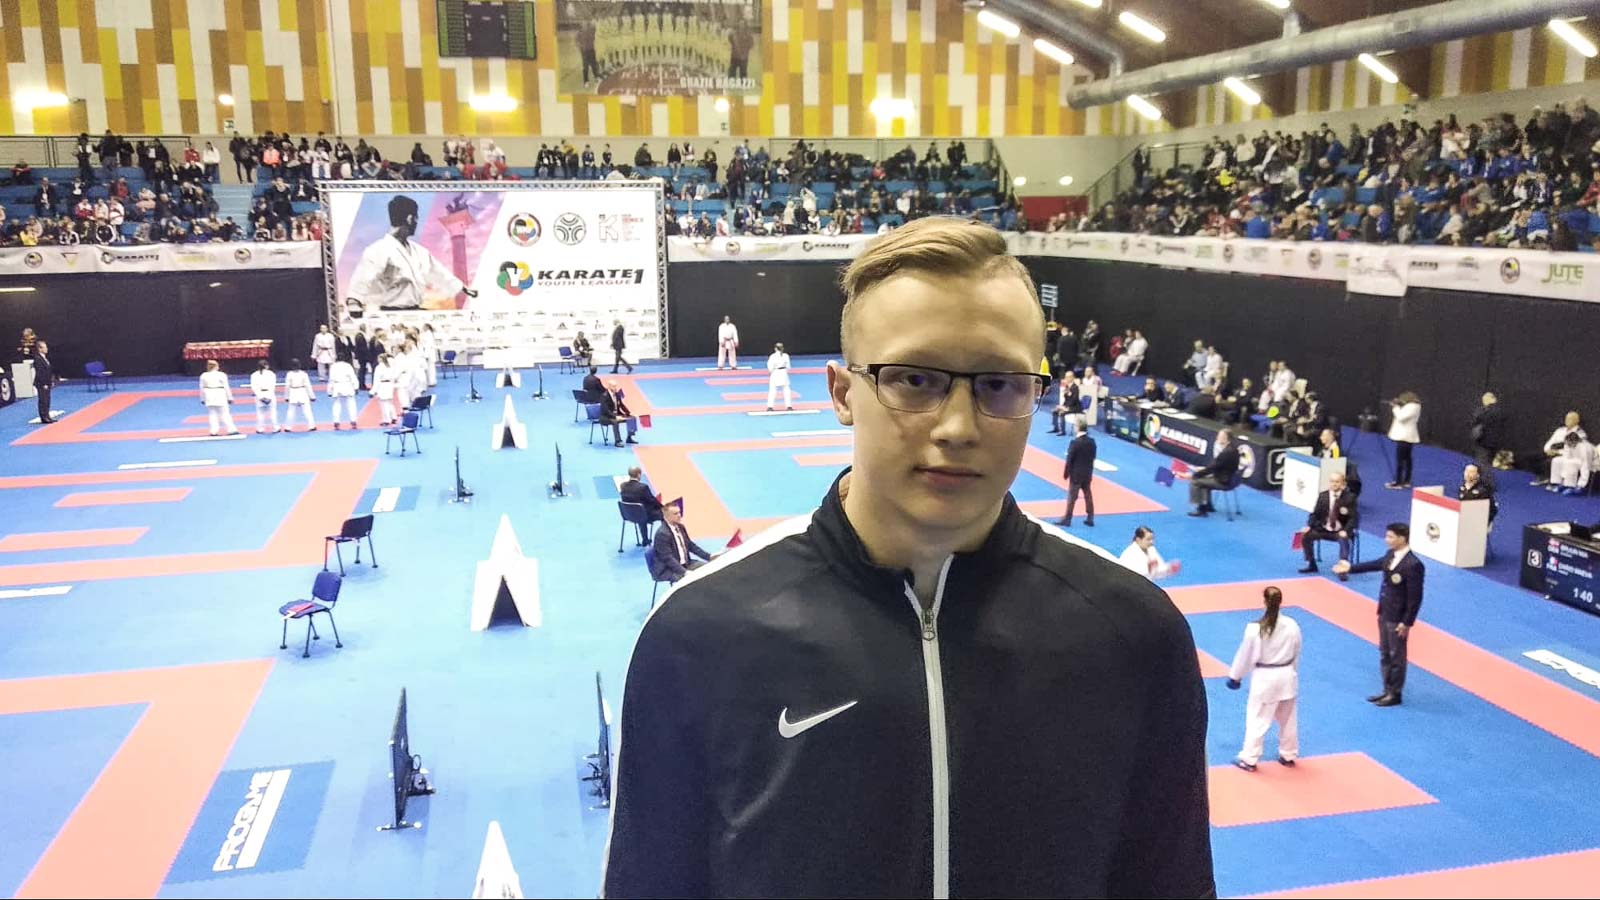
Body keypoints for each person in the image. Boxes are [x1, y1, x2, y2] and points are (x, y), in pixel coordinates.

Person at [602, 217, 1214, 898]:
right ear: (842, 393)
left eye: (999, 384)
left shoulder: (1133, 632)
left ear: (1036, 394)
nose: (958, 427)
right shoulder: (699, 635)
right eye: (915, 379)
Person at [1332, 523, 1425, 707]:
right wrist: (1350, 568)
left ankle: (1395, 693)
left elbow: (1415, 597)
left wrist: (1407, 622)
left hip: (1398, 617)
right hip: (1384, 611)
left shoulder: (1413, 565)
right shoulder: (1391, 555)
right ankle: (1387, 689)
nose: (1386, 540)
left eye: (1390, 537)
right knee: (1384, 652)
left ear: (1402, 538)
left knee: (1397, 656)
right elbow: (1375, 565)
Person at [345, 195, 478, 311]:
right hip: (390, 311)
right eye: (416, 218)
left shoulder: (419, 251)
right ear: (410, 218)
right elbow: (363, 277)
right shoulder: (378, 249)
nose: (416, 222)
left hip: (415, 309)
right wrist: (354, 301)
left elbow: (439, 272)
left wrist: (462, 288)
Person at [1225, 586, 1302, 772]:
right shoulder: (1292, 625)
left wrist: (1235, 676)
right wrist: (1293, 671)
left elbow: (1245, 655)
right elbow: (1297, 651)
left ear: (1265, 602)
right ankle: (1288, 754)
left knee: (1258, 718)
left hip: (1266, 678)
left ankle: (1249, 757)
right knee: (1288, 719)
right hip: (1287, 675)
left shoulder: (1255, 629)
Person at [1298, 472, 1359, 576]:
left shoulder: (1350, 497)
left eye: (1337, 482)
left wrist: (1346, 531)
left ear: (1342, 483)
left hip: (1340, 531)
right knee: (1306, 536)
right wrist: (1309, 526)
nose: (1334, 484)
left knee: (1343, 540)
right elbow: (1314, 514)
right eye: (1332, 481)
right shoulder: (1323, 496)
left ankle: (1342, 569)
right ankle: (1311, 563)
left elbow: (1353, 518)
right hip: (1323, 529)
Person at [648, 501, 713, 583]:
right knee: (693, 581)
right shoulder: (662, 534)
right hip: (669, 569)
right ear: (666, 517)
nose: (679, 515)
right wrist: (684, 572)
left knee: (710, 570)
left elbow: (691, 545)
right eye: (675, 514)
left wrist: (709, 557)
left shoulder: (681, 527)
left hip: (687, 564)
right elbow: (667, 558)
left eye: (679, 512)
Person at [1185, 428, 1240, 517]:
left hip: (1224, 481)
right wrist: (1203, 469)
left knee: (1195, 482)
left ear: (1227, 439)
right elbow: (1217, 466)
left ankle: (1201, 509)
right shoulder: (1233, 449)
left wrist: (1194, 475)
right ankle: (1208, 506)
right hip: (1231, 478)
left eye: (1220, 436)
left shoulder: (1226, 453)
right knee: (1204, 479)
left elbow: (1212, 468)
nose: (1217, 437)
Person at [1541, 411, 1592, 495]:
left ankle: (1571, 485)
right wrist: (1555, 452)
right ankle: (1557, 482)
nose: (1567, 421)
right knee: (1557, 460)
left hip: (1582, 459)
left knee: (1570, 463)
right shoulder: (1566, 436)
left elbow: (1585, 466)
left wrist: (1582, 485)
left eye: (1570, 419)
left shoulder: (1582, 439)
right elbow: (1567, 450)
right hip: (1570, 455)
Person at [1058, 419, 1096, 527]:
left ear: (1078, 427)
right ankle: (1090, 517)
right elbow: (1093, 457)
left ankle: (1067, 519)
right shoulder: (1092, 442)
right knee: (1088, 495)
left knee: (1072, 497)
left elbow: (1069, 459)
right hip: (1087, 473)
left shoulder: (1075, 443)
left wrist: (1066, 473)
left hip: (1076, 474)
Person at [1386, 391, 1421, 489]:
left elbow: (1401, 417)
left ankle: (1398, 482)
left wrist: (1395, 407)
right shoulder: (1414, 406)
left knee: (1401, 460)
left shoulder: (1412, 406)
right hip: (1407, 436)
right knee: (1407, 459)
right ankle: (1406, 481)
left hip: (1405, 437)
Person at [198, 359, 239, 436]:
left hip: (209, 394)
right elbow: (226, 387)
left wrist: (202, 398)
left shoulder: (203, 375)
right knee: (225, 413)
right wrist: (229, 397)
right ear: (216, 366)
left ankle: (213, 431)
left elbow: (201, 388)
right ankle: (231, 429)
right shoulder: (221, 375)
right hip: (220, 394)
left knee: (212, 414)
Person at [1470, 392, 1507, 469]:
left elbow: (1475, 421)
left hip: (1484, 441)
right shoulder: (1501, 412)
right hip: (1496, 442)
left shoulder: (1484, 412)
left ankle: (1483, 475)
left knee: (1482, 463)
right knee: (1489, 462)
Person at [282, 358, 317, 431]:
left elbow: (287, 386)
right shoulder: (303, 374)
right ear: (299, 365)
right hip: (302, 391)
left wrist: (286, 397)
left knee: (291, 411)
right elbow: (308, 386)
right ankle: (312, 426)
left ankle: (288, 427)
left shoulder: (289, 374)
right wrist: (312, 396)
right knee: (307, 410)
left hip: (293, 392)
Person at [600, 380, 637, 447]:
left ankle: (629, 437)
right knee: (615, 421)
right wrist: (615, 416)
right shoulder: (604, 396)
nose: (615, 388)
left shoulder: (617, 394)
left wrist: (629, 413)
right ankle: (618, 441)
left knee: (632, 418)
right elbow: (606, 410)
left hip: (617, 414)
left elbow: (621, 405)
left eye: (616, 386)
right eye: (613, 386)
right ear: (609, 386)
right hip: (606, 416)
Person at [327, 353, 359, 430]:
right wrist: (356, 387)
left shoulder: (333, 366)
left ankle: (336, 422)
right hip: (348, 385)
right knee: (351, 404)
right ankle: (353, 421)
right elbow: (353, 377)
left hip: (337, 386)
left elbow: (331, 379)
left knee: (337, 404)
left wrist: (329, 391)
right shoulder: (348, 366)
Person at [249, 360, 281, 434]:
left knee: (260, 413)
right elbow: (272, 386)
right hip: (269, 393)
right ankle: (275, 427)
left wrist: (260, 397)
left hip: (259, 394)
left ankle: (260, 429)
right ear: (266, 366)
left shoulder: (254, 375)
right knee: (272, 412)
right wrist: (269, 397)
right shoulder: (271, 374)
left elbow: (254, 387)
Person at [31, 340, 55, 425]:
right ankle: (44, 417)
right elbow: (40, 373)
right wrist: (44, 383)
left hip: (47, 382)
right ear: (40, 349)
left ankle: (47, 415)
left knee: (47, 400)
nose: (46, 349)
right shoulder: (38, 359)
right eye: (45, 347)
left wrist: (50, 381)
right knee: (43, 400)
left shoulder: (44, 358)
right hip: (41, 383)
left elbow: (48, 371)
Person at [372, 352, 397, 425]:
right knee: (390, 402)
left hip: (382, 386)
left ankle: (386, 420)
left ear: (380, 359)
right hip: (390, 385)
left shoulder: (379, 367)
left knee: (383, 404)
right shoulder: (390, 366)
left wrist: (373, 391)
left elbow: (376, 380)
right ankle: (393, 417)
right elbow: (394, 376)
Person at [766, 342, 792, 411]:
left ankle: (770, 406)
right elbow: (788, 367)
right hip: (783, 373)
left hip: (775, 372)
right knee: (786, 390)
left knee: (772, 390)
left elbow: (770, 367)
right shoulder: (786, 356)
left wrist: (772, 371)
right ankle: (789, 406)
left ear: (775, 349)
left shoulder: (773, 356)